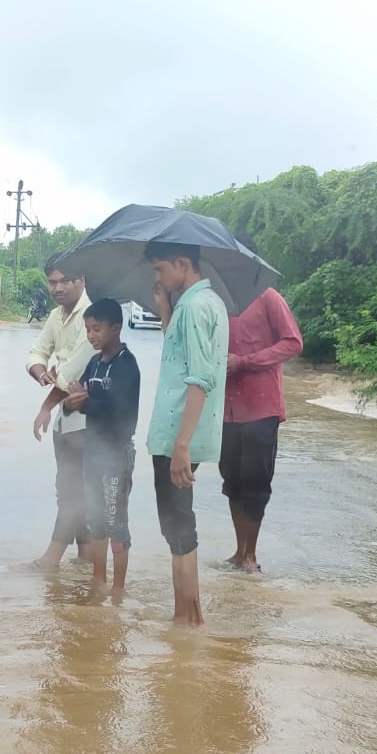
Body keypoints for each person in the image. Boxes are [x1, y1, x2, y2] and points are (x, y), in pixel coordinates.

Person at [143, 242, 228, 627]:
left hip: (179, 433)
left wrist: (181, 444)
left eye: (161, 270)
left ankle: (189, 619)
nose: (157, 278)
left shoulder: (195, 307)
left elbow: (200, 379)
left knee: (178, 525)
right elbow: (181, 360)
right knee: (176, 523)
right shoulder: (201, 303)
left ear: (182, 263)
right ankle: (187, 615)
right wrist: (164, 311)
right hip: (179, 431)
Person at [60, 297, 140, 600]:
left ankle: (118, 590)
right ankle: (97, 581)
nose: (92, 335)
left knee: (115, 523)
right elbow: (74, 400)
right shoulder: (94, 363)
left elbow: (122, 414)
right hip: (91, 451)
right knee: (95, 521)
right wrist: (69, 402)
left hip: (116, 455)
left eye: (97, 329)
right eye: (88, 330)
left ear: (116, 328)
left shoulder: (126, 365)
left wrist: (85, 403)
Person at [220, 286, 302, 573]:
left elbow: (293, 342)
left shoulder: (268, 297)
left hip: (261, 406)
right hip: (225, 408)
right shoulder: (216, 300)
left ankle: (251, 555)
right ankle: (239, 549)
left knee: (255, 482)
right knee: (232, 481)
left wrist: (245, 361)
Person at [27, 255, 94, 572]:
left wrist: (45, 405)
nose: (57, 288)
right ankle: (86, 562)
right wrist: (42, 374)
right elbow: (36, 354)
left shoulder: (93, 318)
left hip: (88, 420)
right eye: (52, 282)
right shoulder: (56, 316)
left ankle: (50, 562)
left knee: (75, 492)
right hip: (65, 421)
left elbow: (72, 370)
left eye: (63, 281)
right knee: (70, 490)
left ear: (81, 279)